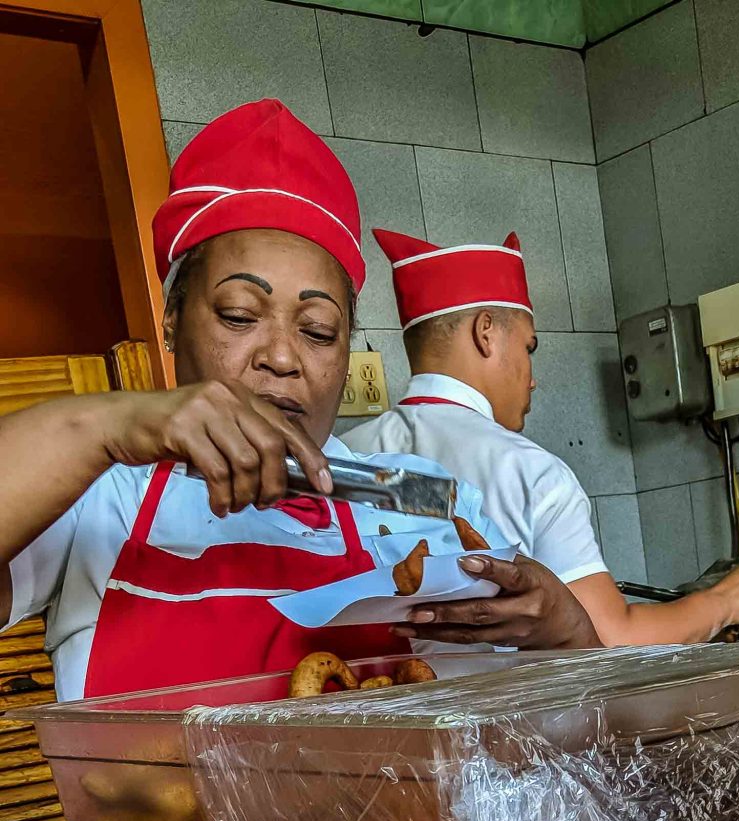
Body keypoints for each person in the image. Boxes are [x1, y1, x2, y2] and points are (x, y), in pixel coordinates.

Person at [0, 101, 601, 703]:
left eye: (316, 330)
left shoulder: (411, 494)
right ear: (173, 321)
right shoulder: (103, 493)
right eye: (239, 316)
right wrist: (105, 425)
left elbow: (562, 724)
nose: (282, 357)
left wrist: (570, 634)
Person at [344, 227, 739, 646]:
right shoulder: (528, 471)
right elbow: (609, 638)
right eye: (529, 348)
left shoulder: (343, 457)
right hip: (511, 714)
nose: (532, 380)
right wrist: (725, 601)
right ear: (486, 331)